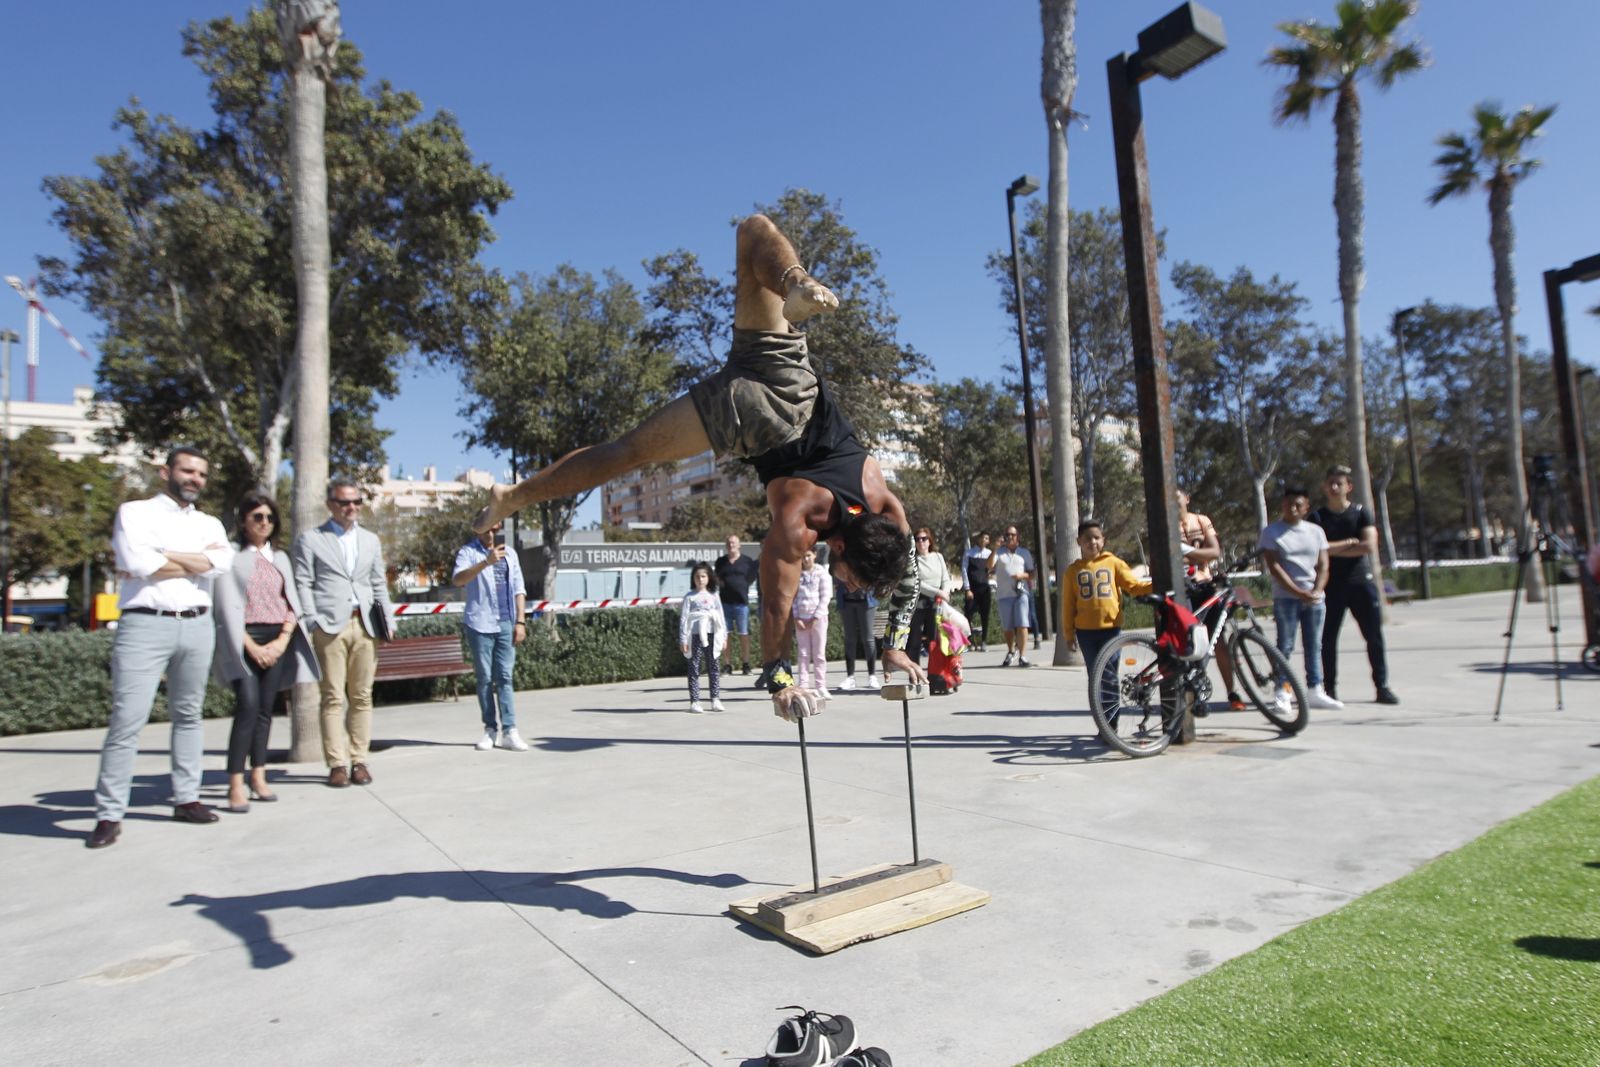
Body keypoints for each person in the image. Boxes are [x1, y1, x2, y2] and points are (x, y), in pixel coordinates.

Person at [472, 212, 926, 720]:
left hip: (788, 374)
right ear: (837, 546)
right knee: (626, 452)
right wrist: (780, 679)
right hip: (753, 417)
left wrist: (893, 647)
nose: (851, 589)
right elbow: (776, 604)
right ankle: (513, 497)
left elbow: (906, 573)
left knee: (754, 230)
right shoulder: (801, 518)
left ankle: (795, 281)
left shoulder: (885, 502)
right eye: (853, 580)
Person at [87, 446, 234, 849]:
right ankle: (109, 814)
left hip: (197, 624)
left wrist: (163, 555)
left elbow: (222, 564)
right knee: (127, 720)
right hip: (145, 624)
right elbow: (137, 563)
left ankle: (187, 798)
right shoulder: (135, 513)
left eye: (201, 474)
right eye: (187, 471)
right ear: (166, 472)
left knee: (188, 716)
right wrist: (196, 561)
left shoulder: (209, 522)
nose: (195, 479)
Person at [212, 491, 320, 813]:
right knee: (247, 707)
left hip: (277, 639)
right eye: (257, 517)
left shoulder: (281, 558)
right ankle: (235, 782)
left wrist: (282, 640)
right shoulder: (231, 558)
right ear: (244, 521)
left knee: (264, 712)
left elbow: (292, 603)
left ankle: (258, 776)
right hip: (244, 640)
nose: (264, 523)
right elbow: (226, 607)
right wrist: (252, 646)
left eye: (270, 518)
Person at [292, 479, 396, 788]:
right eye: (344, 502)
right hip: (329, 626)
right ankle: (337, 764)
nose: (352, 507)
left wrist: (387, 619)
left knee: (362, 696)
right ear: (331, 505)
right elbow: (303, 581)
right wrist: (312, 620)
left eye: (356, 502)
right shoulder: (311, 539)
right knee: (333, 697)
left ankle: (359, 760)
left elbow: (378, 583)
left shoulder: (370, 540)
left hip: (364, 625)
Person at [1311, 465, 1399, 705]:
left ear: (1349, 487)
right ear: (1324, 487)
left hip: (1361, 583)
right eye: (1330, 483)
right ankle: (1329, 689)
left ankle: (1382, 687)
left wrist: (1332, 548)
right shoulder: (1317, 518)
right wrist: (1348, 543)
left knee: (1374, 637)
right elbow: (1316, 549)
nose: (1334, 487)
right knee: (1328, 639)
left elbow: (1368, 545)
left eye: (1339, 483)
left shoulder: (1361, 513)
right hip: (1331, 585)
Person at [1257, 486, 1342, 711]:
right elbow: (1274, 566)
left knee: (1314, 645)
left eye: (1298, 505)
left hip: (1314, 598)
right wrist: (1297, 592)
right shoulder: (1272, 532)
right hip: (1286, 598)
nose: (1292, 508)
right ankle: (1282, 691)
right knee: (1284, 646)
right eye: (1288, 504)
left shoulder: (1316, 532)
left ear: (1306, 508)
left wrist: (1317, 590)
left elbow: (1323, 564)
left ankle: (1315, 689)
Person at [453, 521, 529, 750]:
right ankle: (490, 730)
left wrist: (520, 621)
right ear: (478, 529)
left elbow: (519, 589)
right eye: (487, 529)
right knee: (485, 678)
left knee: (505, 677)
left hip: (506, 622)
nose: (492, 534)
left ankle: (510, 731)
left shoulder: (510, 554)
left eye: (496, 529)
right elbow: (458, 580)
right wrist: (486, 562)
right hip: (480, 623)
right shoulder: (468, 552)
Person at [1061, 520, 1152, 697]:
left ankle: (1111, 715)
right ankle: (1099, 711)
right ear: (1079, 541)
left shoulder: (1114, 563)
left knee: (1109, 675)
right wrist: (1069, 634)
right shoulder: (1072, 571)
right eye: (1087, 538)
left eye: (1096, 538)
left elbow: (1133, 587)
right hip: (1085, 632)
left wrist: (1155, 585)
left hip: (1111, 630)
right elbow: (1068, 605)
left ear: (1103, 540)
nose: (1092, 542)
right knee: (1094, 675)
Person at [1178, 488, 1243, 712]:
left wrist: (1185, 552)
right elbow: (1169, 556)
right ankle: (1196, 695)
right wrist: (1198, 554)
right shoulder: (1167, 525)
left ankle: (1232, 692)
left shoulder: (1201, 520)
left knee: (1219, 642)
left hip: (1205, 585)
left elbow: (1215, 551)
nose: (1174, 502)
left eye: (1177, 497)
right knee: (1191, 645)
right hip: (1182, 589)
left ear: (1187, 498)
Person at [678, 561, 728, 713]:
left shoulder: (714, 596)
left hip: (712, 634)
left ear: (709, 578)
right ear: (693, 578)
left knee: (714, 667)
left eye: (703, 576)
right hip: (694, 635)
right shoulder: (690, 597)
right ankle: (695, 701)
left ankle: (715, 699)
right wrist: (683, 639)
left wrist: (724, 636)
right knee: (694, 667)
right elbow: (684, 619)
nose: (700, 579)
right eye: (697, 577)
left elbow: (721, 616)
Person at [988, 526, 1035, 668]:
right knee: (1007, 627)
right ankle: (1011, 650)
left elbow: (1032, 573)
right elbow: (989, 565)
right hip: (1004, 594)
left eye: (1013, 535)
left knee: (1022, 624)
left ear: (1017, 537)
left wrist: (1022, 575)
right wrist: (995, 548)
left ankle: (1023, 655)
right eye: (1007, 535)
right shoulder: (999, 553)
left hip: (1021, 593)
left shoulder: (1024, 553)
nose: (1010, 537)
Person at [714, 534, 759, 676]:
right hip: (725, 604)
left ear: (739, 545)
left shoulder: (747, 561)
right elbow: (717, 578)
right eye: (728, 543)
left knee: (743, 634)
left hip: (741, 604)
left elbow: (751, 578)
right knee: (725, 635)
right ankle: (727, 665)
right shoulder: (721, 561)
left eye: (733, 542)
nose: (731, 545)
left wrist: (741, 586)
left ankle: (746, 664)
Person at [792, 546, 834, 694]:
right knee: (803, 654)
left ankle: (821, 686)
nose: (806, 559)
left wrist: (816, 617)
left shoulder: (821, 573)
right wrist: (796, 617)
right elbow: (793, 597)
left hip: (818, 619)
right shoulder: (797, 573)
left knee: (819, 654)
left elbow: (826, 596)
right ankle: (803, 685)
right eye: (803, 556)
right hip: (801, 619)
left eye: (808, 555)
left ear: (815, 555)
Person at [910, 527, 952, 666]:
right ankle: (915, 672)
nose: (921, 542)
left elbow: (945, 578)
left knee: (934, 640)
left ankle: (935, 671)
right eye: (917, 539)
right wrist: (937, 592)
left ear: (929, 541)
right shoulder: (912, 560)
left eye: (924, 539)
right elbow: (917, 583)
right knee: (914, 641)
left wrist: (945, 592)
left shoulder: (938, 557)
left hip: (937, 605)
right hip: (918, 605)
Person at [836, 582, 879, 691]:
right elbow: (836, 576)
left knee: (868, 639)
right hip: (846, 600)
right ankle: (850, 677)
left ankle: (872, 676)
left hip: (866, 600)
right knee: (849, 639)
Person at [962, 531, 994, 652]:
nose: (984, 540)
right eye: (983, 538)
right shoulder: (969, 553)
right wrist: (967, 588)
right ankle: (968, 641)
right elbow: (964, 569)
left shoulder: (989, 554)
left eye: (987, 538)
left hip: (984, 589)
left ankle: (984, 641)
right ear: (979, 539)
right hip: (972, 589)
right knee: (968, 615)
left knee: (985, 616)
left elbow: (992, 568)